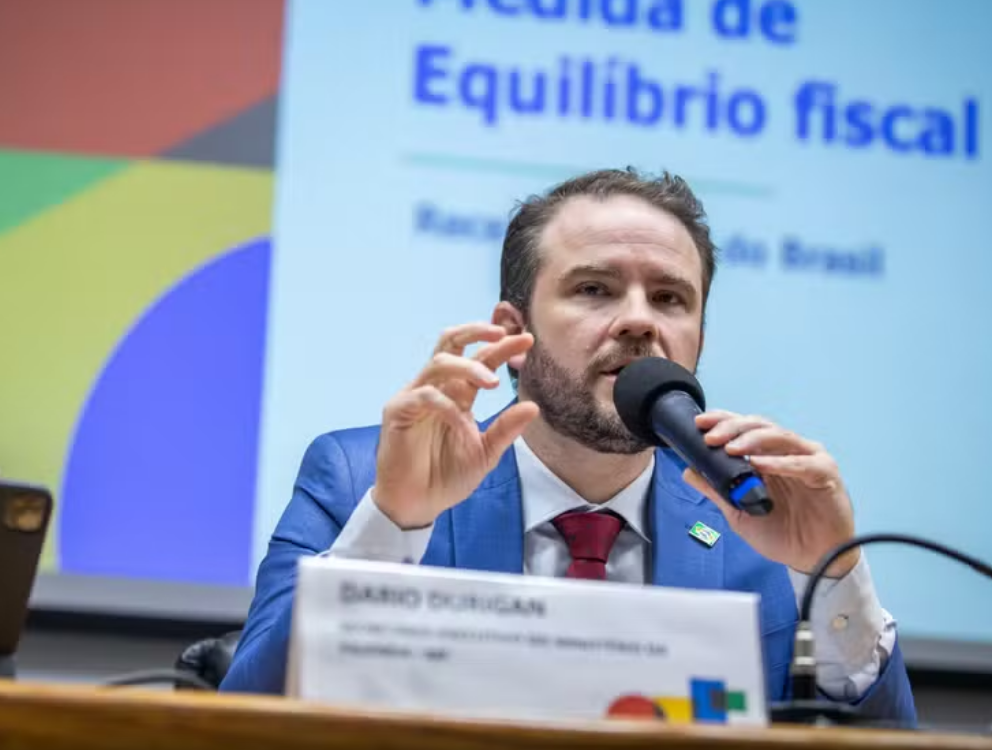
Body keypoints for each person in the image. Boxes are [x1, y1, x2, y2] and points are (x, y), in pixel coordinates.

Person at [219, 168, 916, 725]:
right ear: (510, 335)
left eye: (672, 299)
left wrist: (836, 573)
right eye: (594, 288)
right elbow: (238, 726)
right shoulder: (358, 477)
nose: (640, 320)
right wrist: (394, 523)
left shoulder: (755, 527)